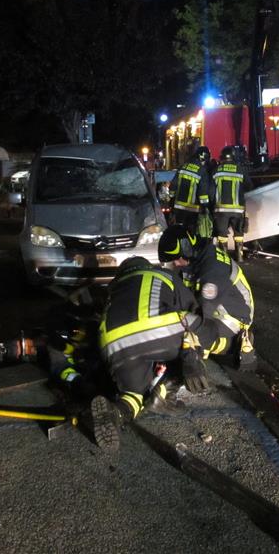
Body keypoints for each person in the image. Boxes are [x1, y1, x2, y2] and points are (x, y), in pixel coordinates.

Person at [90, 257, 216, 450]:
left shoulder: (114, 287)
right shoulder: (164, 274)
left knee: (135, 393)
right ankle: (168, 389)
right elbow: (192, 308)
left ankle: (117, 412)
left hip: (113, 344)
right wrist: (193, 356)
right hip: (160, 333)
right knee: (206, 328)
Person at [158, 224, 256, 371]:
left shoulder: (212, 269)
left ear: (186, 248)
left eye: (177, 259)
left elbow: (204, 315)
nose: (176, 263)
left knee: (189, 336)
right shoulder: (198, 258)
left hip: (232, 318)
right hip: (219, 308)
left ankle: (233, 345)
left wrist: (191, 355)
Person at [212, 145, 253, 261]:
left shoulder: (217, 170)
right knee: (239, 234)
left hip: (221, 209)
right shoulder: (240, 170)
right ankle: (239, 257)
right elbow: (249, 186)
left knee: (222, 235)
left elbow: (210, 189)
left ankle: (225, 259)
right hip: (237, 210)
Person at [169, 146, 213, 234]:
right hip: (193, 209)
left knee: (179, 229)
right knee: (191, 231)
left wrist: (172, 198)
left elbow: (173, 185)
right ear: (203, 159)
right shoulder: (202, 171)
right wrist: (205, 206)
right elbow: (203, 193)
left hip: (179, 207)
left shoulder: (183, 167)